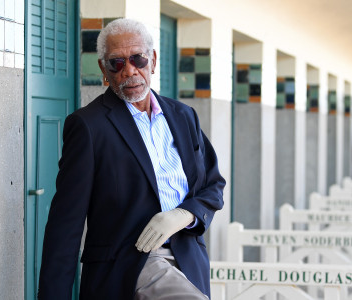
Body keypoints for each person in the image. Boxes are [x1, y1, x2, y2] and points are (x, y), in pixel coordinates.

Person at [38, 18, 225, 300]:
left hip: (189, 261)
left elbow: (213, 185)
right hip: (127, 266)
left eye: (138, 59)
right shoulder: (89, 126)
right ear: (103, 69)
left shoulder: (183, 116)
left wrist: (184, 215)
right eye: (117, 63)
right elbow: (66, 223)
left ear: (153, 60)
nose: (129, 71)